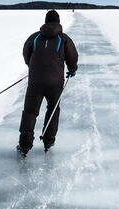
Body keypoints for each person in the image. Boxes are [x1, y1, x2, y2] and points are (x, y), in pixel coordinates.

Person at [17, 10, 79, 157]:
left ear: (46, 21)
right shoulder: (63, 38)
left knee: (30, 112)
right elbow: (72, 56)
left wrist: (32, 67)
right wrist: (72, 69)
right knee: (53, 110)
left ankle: (25, 145)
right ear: (58, 22)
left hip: (35, 83)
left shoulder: (34, 37)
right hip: (55, 83)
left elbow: (27, 54)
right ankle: (48, 141)